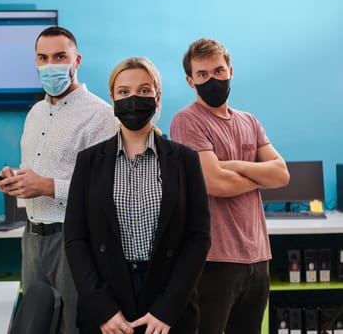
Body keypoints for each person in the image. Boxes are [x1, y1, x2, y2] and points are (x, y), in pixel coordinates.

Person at [64, 57, 211, 334]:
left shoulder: (185, 160)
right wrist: (103, 310)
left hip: (169, 305)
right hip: (108, 307)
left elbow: (198, 237)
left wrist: (167, 310)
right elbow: (75, 239)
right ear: (113, 98)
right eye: (124, 92)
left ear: (157, 97)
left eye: (144, 91)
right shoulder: (89, 161)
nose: (134, 99)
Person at [0, 26, 118, 334]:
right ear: (35, 62)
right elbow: (31, 171)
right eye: (43, 57)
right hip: (32, 238)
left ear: (77, 60)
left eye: (60, 56)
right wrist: (14, 180)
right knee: (36, 324)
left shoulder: (101, 115)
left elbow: (108, 189)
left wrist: (48, 186)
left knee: (72, 326)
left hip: (73, 240)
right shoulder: (35, 113)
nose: (51, 65)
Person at [170, 38, 290, 334]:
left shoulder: (250, 121)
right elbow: (216, 183)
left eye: (218, 71)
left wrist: (233, 164)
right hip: (215, 260)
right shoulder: (187, 121)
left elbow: (282, 175)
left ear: (230, 71)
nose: (212, 79)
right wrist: (258, 174)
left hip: (258, 258)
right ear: (190, 80)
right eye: (203, 74)